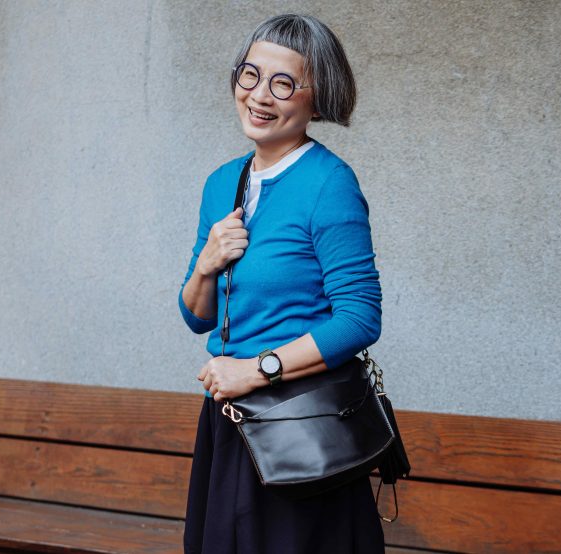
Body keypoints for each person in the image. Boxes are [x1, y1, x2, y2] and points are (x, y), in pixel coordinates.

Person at [178, 13, 384, 554]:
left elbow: (360, 319)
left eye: (284, 82)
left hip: (299, 422)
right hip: (230, 420)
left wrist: (255, 370)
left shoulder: (329, 183)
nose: (260, 95)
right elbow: (196, 315)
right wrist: (206, 264)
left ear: (318, 99)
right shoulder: (222, 183)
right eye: (250, 75)